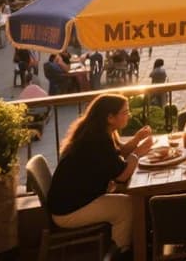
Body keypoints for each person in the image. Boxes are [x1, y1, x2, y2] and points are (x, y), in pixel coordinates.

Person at [48, 94, 153, 258]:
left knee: (128, 198)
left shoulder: (98, 133)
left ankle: (133, 243)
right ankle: (121, 253)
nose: (129, 115)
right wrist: (138, 153)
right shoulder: (98, 140)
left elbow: (117, 157)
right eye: (125, 112)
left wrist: (137, 139)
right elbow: (122, 175)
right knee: (128, 206)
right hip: (69, 210)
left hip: (72, 201)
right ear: (110, 117)